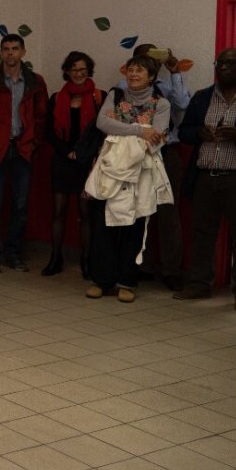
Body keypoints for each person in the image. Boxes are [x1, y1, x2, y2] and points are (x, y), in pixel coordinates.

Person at [84, 56, 171, 303]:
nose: (133, 74)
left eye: (139, 70)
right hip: (109, 169)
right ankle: (101, 280)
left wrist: (126, 132)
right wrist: (139, 130)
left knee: (133, 227)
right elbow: (103, 123)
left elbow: (159, 136)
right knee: (103, 225)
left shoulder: (161, 104)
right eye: (130, 70)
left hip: (141, 172)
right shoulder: (116, 96)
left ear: (151, 76)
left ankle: (127, 282)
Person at [0, 34, 49, 273]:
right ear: (1, 52)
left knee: (20, 205)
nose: (11, 53)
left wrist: (34, 142)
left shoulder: (35, 81)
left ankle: (13, 253)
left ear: (23, 52)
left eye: (15, 49)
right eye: (6, 49)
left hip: (23, 149)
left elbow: (42, 116)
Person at [120, 44, 191, 290]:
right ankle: (143, 264)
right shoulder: (123, 89)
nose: (155, 62)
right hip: (135, 153)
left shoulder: (168, 87)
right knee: (139, 208)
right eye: (146, 59)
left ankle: (171, 270)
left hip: (167, 152)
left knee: (168, 211)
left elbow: (183, 105)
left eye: (157, 58)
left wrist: (175, 72)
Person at [174, 47, 236, 308]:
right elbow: (184, 131)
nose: (224, 67)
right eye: (220, 63)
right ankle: (199, 285)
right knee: (201, 233)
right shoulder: (202, 97)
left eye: (231, 63)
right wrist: (198, 133)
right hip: (203, 176)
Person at [44, 51, 104, 277]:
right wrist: (67, 151)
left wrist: (83, 153)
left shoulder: (100, 96)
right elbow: (48, 131)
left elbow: (101, 131)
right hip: (62, 159)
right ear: (66, 72)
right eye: (74, 69)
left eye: (82, 69)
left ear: (88, 70)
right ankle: (55, 257)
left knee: (85, 211)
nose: (78, 73)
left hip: (88, 161)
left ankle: (86, 260)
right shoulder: (57, 98)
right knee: (58, 211)